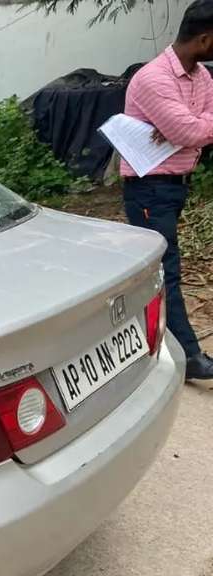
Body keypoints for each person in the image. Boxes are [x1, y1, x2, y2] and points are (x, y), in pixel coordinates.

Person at [122, 0, 213, 380]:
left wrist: (188, 128)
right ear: (205, 39)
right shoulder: (154, 78)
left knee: (156, 270)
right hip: (150, 190)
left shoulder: (201, 77)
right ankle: (188, 356)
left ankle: (147, 343)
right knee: (165, 270)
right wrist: (186, 129)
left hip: (175, 186)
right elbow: (189, 131)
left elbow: (195, 128)